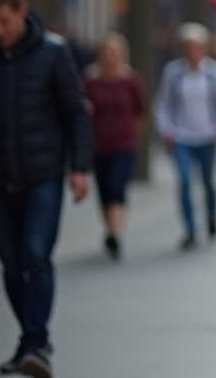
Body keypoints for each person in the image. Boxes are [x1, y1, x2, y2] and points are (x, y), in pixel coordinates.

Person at [0, 0, 92, 378]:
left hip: (43, 174)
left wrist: (79, 168)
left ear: (21, 13)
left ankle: (35, 344)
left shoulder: (53, 53)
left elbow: (75, 113)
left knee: (35, 254)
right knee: (11, 266)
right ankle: (31, 341)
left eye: (4, 23)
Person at [153, 23, 216, 250]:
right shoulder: (173, 73)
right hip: (182, 137)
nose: (191, 52)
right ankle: (190, 229)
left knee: (208, 182)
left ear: (203, 48)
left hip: (207, 136)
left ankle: (212, 215)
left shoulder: (215, 72)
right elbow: (161, 105)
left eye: (195, 47)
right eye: (187, 47)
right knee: (184, 181)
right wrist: (166, 129)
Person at [83, 33, 148, 260]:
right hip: (99, 144)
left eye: (113, 52)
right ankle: (110, 227)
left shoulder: (130, 80)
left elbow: (142, 111)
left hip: (124, 144)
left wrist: (131, 132)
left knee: (116, 187)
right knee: (104, 191)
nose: (109, 56)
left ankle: (115, 233)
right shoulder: (90, 80)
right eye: (105, 52)